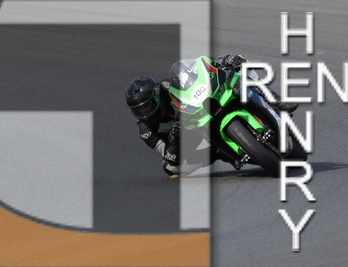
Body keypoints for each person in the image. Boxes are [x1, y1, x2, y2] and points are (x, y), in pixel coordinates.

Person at [124, 55, 298, 177]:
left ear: (156, 98)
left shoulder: (167, 87)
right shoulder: (146, 130)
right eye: (138, 110)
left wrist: (223, 61)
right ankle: (223, 153)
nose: (143, 112)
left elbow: (195, 71)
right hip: (191, 141)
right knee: (171, 169)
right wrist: (175, 139)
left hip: (201, 113)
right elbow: (168, 159)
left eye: (146, 106)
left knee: (239, 66)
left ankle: (275, 99)